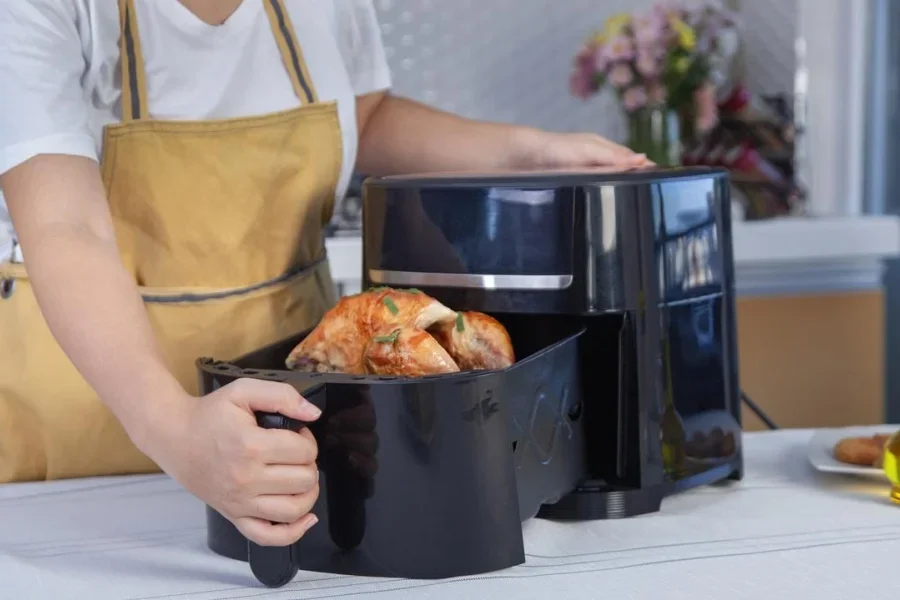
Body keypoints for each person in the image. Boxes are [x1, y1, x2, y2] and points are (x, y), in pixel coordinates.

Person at [0, 0, 648, 547]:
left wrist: (526, 151)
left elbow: (363, 119)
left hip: (291, 430)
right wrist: (175, 428)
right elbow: (66, 229)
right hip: (88, 445)